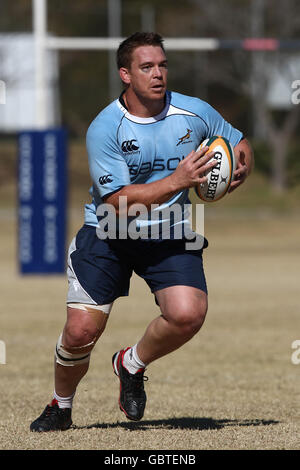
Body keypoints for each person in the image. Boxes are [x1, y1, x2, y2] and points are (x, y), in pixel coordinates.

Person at [30, 32, 254, 432]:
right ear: (125, 75)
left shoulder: (194, 111)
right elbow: (116, 200)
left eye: (163, 65)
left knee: (188, 315)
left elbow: (238, 143)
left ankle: (129, 365)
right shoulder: (105, 127)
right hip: (109, 233)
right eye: (146, 67)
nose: (158, 74)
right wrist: (180, 179)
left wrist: (240, 169)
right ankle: (60, 406)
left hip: (168, 233)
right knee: (81, 331)